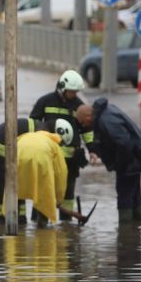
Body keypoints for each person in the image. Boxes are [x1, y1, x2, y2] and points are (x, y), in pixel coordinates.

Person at [76, 99, 141, 224]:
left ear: (87, 115)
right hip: (135, 158)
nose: (84, 126)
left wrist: (119, 165)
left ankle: (125, 234)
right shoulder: (106, 112)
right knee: (134, 196)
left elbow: (124, 143)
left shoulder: (105, 120)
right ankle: (136, 232)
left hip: (130, 162)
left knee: (125, 196)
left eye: (83, 123)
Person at [30, 69, 94, 217]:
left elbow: (87, 129)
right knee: (44, 187)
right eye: (72, 91)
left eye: (76, 92)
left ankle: (67, 221)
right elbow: (33, 123)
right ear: (62, 88)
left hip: (71, 158)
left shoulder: (79, 105)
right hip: (49, 155)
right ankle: (39, 220)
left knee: (68, 190)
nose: (74, 94)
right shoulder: (45, 102)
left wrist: (92, 149)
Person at [0, 116, 38, 224]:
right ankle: (16, 221)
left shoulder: (36, 128)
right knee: (13, 186)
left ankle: (0, 222)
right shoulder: (39, 135)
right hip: (0, 149)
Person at [15, 129, 67, 227]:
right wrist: (58, 199)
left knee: (16, 191)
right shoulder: (55, 146)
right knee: (44, 194)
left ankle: (13, 226)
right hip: (40, 162)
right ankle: (42, 227)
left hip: (17, 157)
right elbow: (61, 175)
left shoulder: (28, 135)